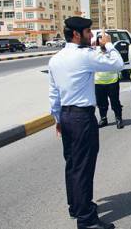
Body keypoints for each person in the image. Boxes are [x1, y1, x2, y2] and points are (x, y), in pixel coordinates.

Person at [49, 17, 123, 229]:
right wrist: (107, 43)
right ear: (76, 34)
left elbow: (53, 94)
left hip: (66, 115)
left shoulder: (56, 59)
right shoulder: (84, 56)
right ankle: (87, 220)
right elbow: (117, 64)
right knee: (84, 166)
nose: (92, 36)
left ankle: (76, 206)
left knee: (72, 164)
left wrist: (57, 119)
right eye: (88, 32)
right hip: (82, 118)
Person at [94, 34, 123, 129]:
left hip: (112, 81)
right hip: (99, 82)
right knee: (101, 103)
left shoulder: (112, 51)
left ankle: (118, 119)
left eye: (104, 40)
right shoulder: (94, 51)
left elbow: (119, 62)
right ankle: (103, 118)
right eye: (100, 40)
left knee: (115, 102)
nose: (102, 41)